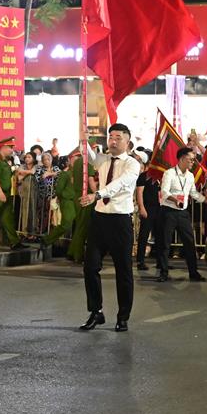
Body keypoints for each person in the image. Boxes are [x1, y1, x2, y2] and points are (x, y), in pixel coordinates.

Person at [78, 124, 140, 332]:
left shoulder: (132, 164)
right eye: (110, 137)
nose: (113, 141)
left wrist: (97, 194)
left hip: (120, 221)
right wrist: (84, 139)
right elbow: (87, 156)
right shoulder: (103, 159)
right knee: (90, 267)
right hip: (100, 219)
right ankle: (96, 311)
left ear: (127, 142)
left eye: (118, 138)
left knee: (123, 271)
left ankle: (123, 316)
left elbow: (120, 184)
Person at [157, 147, 207, 282]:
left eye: (193, 160)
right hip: (168, 212)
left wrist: (206, 200)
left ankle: (193, 273)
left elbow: (193, 193)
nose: (192, 162)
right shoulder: (169, 173)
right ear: (181, 159)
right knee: (165, 243)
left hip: (183, 213)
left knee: (190, 243)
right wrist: (175, 200)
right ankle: (163, 272)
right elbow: (164, 192)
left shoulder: (190, 176)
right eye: (190, 159)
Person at [134, 154, 162, 272]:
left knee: (160, 235)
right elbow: (139, 192)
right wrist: (141, 207)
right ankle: (140, 261)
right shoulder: (143, 176)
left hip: (159, 209)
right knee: (144, 235)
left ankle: (161, 261)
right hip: (148, 208)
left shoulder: (161, 176)